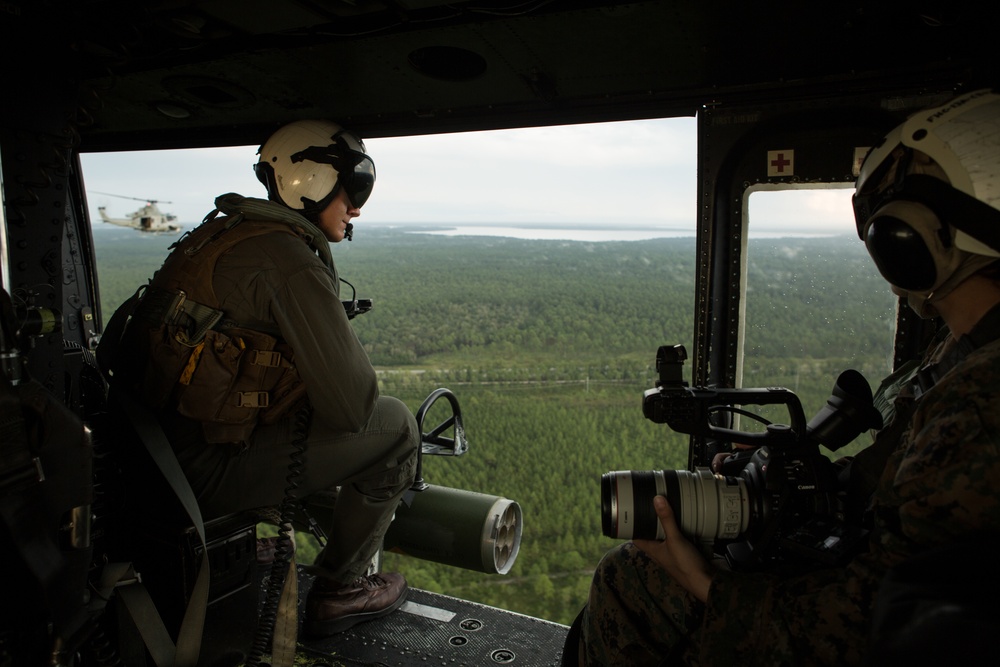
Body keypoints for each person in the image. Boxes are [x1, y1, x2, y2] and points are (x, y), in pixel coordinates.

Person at [568, 88, 1000, 665]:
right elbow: (903, 492)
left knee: (631, 579)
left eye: (886, 226)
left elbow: (873, 629)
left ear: (917, 239)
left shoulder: (981, 398)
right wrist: (799, 473)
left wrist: (708, 587)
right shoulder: (961, 349)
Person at [99, 119, 421, 637]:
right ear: (312, 182)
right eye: (354, 188)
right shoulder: (289, 259)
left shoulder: (221, 233)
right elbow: (353, 408)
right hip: (192, 477)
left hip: (143, 460)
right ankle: (340, 588)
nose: (358, 206)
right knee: (396, 428)